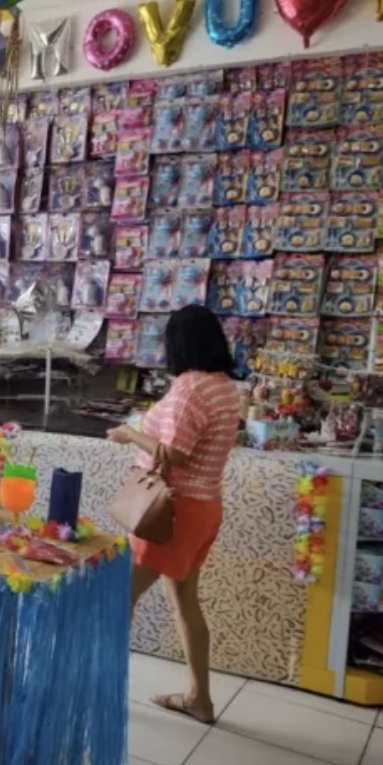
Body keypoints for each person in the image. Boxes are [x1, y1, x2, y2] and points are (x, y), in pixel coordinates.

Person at [107, 304, 241, 726]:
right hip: (203, 509)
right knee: (184, 602)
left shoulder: (190, 389)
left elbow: (175, 455)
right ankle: (199, 698)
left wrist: (129, 433)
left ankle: (101, 690)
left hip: (171, 513)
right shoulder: (224, 387)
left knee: (118, 599)